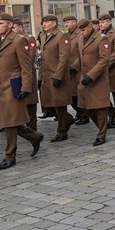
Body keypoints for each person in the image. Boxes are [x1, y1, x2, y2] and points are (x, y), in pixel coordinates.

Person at [0, 13, 44, 169]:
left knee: (10, 124)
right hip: (1, 88)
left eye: (1, 23)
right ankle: (35, 137)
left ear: (10, 25)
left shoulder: (19, 41)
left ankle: (10, 156)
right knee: (11, 123)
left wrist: (26, 88)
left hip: (14, 86)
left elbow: (26, 67)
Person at [72, 18, 111, 146]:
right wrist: (73, 67)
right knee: (84, 105)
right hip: (84, 78)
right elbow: (81, 57)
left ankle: (101, 134)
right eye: (80, 31)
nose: (82, 33)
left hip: (98, 79)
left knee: (100, 108)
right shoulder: (80, 39)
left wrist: (92, 75)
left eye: (83, 30)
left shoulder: (101, 39)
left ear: (90, 27)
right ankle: (101, 126)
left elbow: (104, 60)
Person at [38, 14, 74, 142]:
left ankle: (62, 132)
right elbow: (42, 58)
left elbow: (64, 58)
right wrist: (40, 76)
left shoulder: (61, 36)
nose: (44, 25)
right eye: (43, 23)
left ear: (54, 23)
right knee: (47, 104)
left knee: (59, 104)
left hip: (57, 75)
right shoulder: (43, 36)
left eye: (46, 22)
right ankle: (68, 119)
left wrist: (58, 75)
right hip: (46, 75)